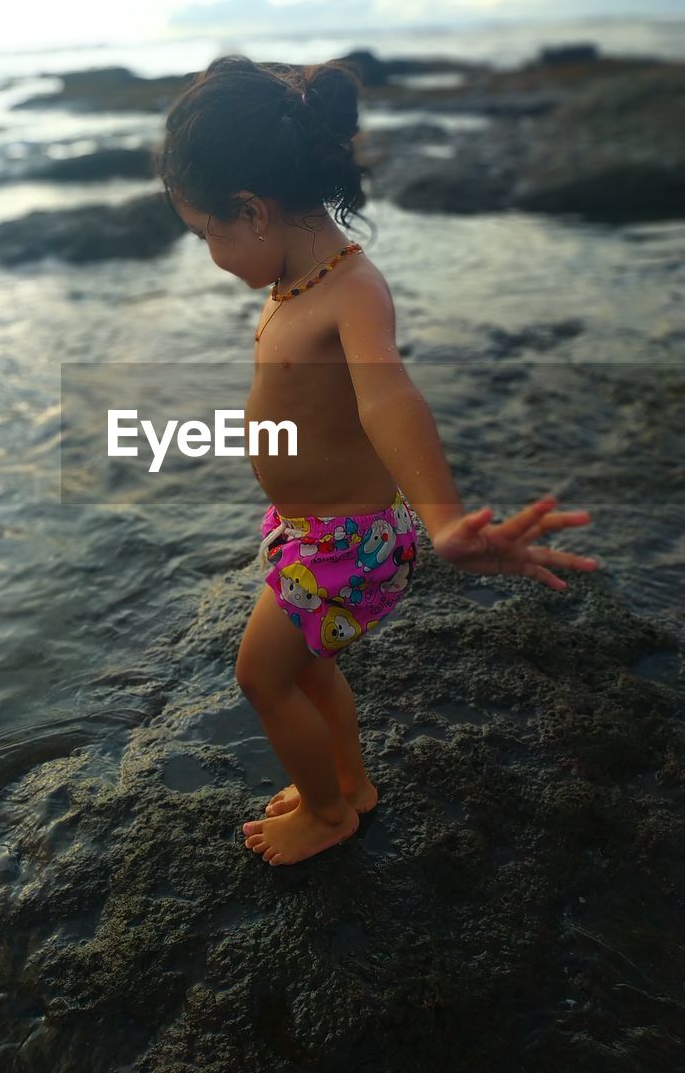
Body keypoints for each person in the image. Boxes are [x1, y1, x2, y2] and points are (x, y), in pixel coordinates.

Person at [152, 55, 598, 867]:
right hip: (307, 529)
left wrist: (445, 518)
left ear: (251, 210)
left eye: (204, 234)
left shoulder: (353, 291)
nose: (209, 254)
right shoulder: (299, 280)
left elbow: (387, 400)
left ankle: (326, 816)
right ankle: (348, 784)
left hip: (344, 543)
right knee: (312, 670)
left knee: (262, 678)